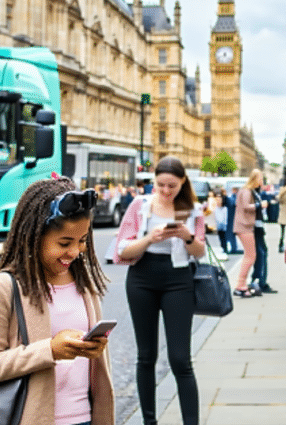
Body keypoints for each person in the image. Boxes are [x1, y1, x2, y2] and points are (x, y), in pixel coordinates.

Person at [0, 176, 114, 425]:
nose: (75, 252)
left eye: (82, 241)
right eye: (64, 243)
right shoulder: (4, 286)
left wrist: (94, 348)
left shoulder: (85, 283)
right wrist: (50, 350)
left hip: (85, 418)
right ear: (34, 236)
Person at [113, 156, 205, 425]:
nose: (165, 191)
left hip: (178, 279)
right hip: (142, 278)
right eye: (160, 184)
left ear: (183, 182)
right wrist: (149, 239)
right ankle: (149, 421)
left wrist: (187, 236)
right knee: (146, 356)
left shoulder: (192, 209)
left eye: (172, 186)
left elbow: (199, 252)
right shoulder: (140, 205)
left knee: (180, 359)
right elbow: (122, 249)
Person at [233, 169, 270, 296]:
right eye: (260, 179)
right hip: (245, 226)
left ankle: (242, 284)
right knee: (250, 256)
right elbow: (245, 206)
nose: (261, 181)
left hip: (246, 226)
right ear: (255, 179)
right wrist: (260, 205)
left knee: (251, 255)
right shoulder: (246, 191)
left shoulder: (248, 191)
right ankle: (240, 286)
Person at [225, 186, 241, 254]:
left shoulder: (234, 197)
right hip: (232, 217)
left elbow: (233, 203)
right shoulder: (235, 197)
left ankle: (233, 248)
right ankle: (233, 248)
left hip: (232, 217)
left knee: (230, 233)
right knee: (231, 234)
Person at [214, 189, 229, 254]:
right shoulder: (215, 208)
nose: (218, 200)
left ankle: (225, 249)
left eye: (219, 199)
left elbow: (225, 218)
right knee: (220, 237)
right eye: (217, 199)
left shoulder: (224, 208)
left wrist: (225, 224)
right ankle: (222, 248)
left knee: (224, 237)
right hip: (218, 225)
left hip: (223, 225)